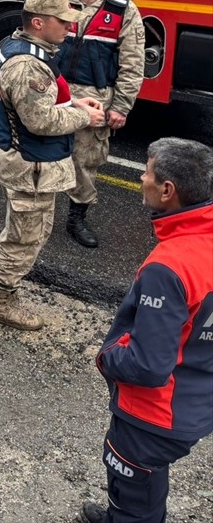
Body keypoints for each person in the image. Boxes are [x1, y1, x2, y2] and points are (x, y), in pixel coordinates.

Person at [80, 137, 213, 523]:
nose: (141, 178)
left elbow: (148, 366)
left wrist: (107, 356)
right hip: (197, 399)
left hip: (154, 415)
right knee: (147, 478)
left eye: (147, 172)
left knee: (132, 489)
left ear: (167, 190)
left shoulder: (169, 267)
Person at [0, 0, 104, 330]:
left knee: (18, 232)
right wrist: (85, 117)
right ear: (38, 23)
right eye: (63, 21)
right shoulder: (28, 66)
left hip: (25, 161)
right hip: (32, 166)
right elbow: (40, 121)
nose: (69, 27)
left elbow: (39, 103)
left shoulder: (20, 48)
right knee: (27, 239)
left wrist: (73, 103)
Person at [56, 0, 146, 248]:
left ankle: (76, 219)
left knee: (84, 160)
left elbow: (132, 64)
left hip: (94, 97)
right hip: (55, 92)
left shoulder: (122, 9)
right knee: (40, 152)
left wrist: (121, 106)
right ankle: (36, 212)